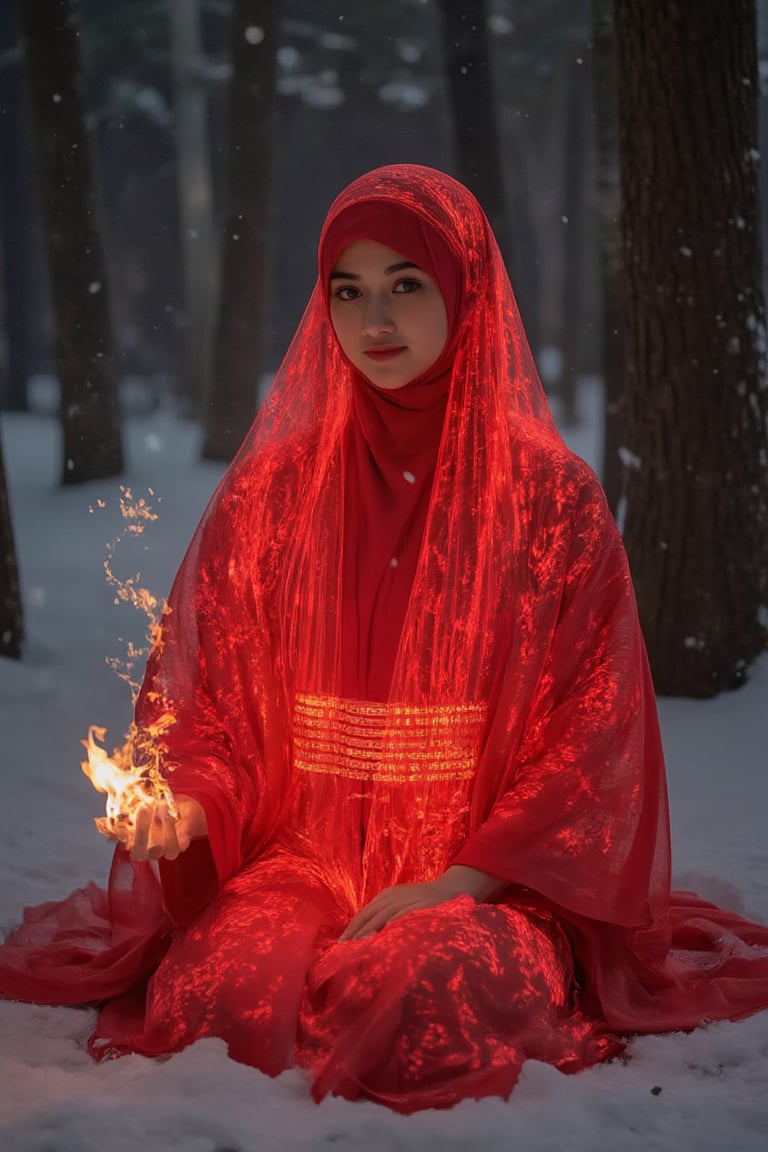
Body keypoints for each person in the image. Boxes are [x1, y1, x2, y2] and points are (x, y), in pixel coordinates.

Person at [1, 164, 767, 1113]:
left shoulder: (547, 500)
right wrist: (188, 807)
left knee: (426, 992)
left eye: (408, 285)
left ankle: (422, 966)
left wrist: (461, 879)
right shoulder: (277, 493)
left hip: (489, 872)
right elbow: (209, 711)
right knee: (226, 991)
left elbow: (587, 732)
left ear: (467, 293)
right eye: (348, 293)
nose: (376, 323)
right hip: (303, 851)